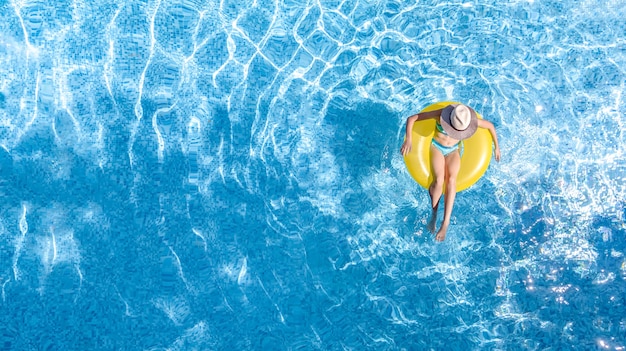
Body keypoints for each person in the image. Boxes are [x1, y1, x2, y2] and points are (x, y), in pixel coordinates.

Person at [400, 104, 501, 241]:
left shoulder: (469, 121)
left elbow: (490, 126)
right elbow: (412, 118)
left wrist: (497, 147)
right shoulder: (440, 115)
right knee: (439, 179)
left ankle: (445, 223)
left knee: (452, 179)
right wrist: (409, 139)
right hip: (437, 147)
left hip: (453, 150)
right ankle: (434, 214)